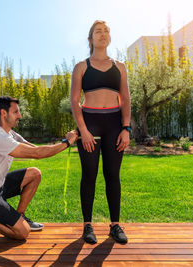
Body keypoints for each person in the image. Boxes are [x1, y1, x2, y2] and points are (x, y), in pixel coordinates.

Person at [0, 96, 78, 240]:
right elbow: (37, 154)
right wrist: (67, 143)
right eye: (16, 112)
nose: (20, 116)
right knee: (22, 233)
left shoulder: (10, 133)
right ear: (3, 113)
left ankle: (20, 217)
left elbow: (35, 149)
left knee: (34, 174)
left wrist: (63, 141)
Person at [70, 20, 131, 244]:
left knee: (113, 175)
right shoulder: (81, 67)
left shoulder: (120, 67)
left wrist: (126, 128)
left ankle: (115, 226)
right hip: (90, 122)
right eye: (98, 31)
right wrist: (83, 130)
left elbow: (125, 99)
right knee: (89, 174)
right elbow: (74, 101)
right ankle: (87, 225)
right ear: (91, 39)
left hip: (114, 123)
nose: (103, 34)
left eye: (106, 31)